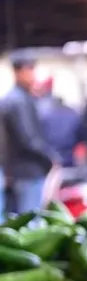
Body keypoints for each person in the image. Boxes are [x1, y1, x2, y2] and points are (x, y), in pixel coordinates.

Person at [0, 55, 60, 214]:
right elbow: (28, 138)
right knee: (29, 221)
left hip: (15, 169)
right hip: (27, 169)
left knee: (14, 220)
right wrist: (50, 158)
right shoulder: (18, 101)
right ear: (18, 72)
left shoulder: (15, 98)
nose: (33, 75)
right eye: (30, 70)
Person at [32, 76, 85, 168]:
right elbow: (81, 138)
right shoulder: (74, 113)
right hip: (68, 160)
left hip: (47, 161)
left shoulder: (41, 110)